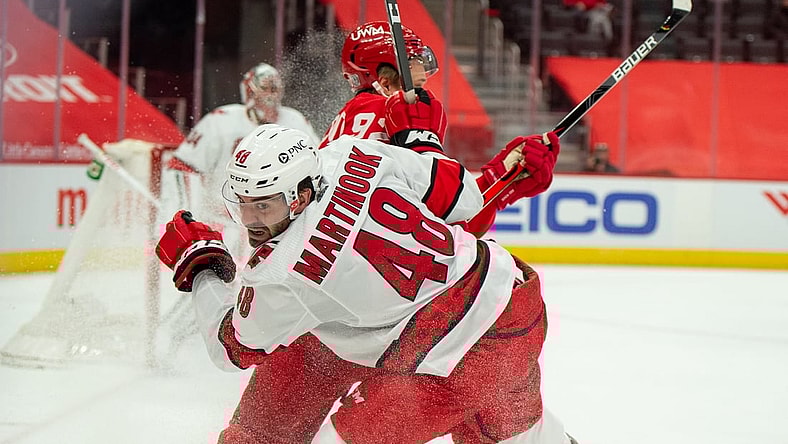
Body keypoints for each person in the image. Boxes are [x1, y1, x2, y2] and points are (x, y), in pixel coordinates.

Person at [156, 87, 575, 443]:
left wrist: (203, 269)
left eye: (264, 207)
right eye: (243, 206)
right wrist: (420, 138)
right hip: (512, 296)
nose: (251, 223)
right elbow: (464, 200)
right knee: (517, 431)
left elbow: (231, 349)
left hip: (453, 354)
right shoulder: (349, 153)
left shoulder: (282, 273)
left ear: (302, 193)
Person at [323, 21, 560, 238]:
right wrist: (422, 143)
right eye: (416, 84)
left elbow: (439, 221)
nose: (423, 89)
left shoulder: (350, 121)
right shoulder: (384, 113)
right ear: (385, 85)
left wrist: (497, 182)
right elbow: (446, 226)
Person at [166, 62, 320, 259]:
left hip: (277, 225)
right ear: (249, 92)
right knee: (214, 280)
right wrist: (190, 216)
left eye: (274, 88)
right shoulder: (221, 121)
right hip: (222, 223)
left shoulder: (295, 121)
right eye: (265, 88)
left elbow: (316, 165)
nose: (270, 96)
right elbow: (183, 167)